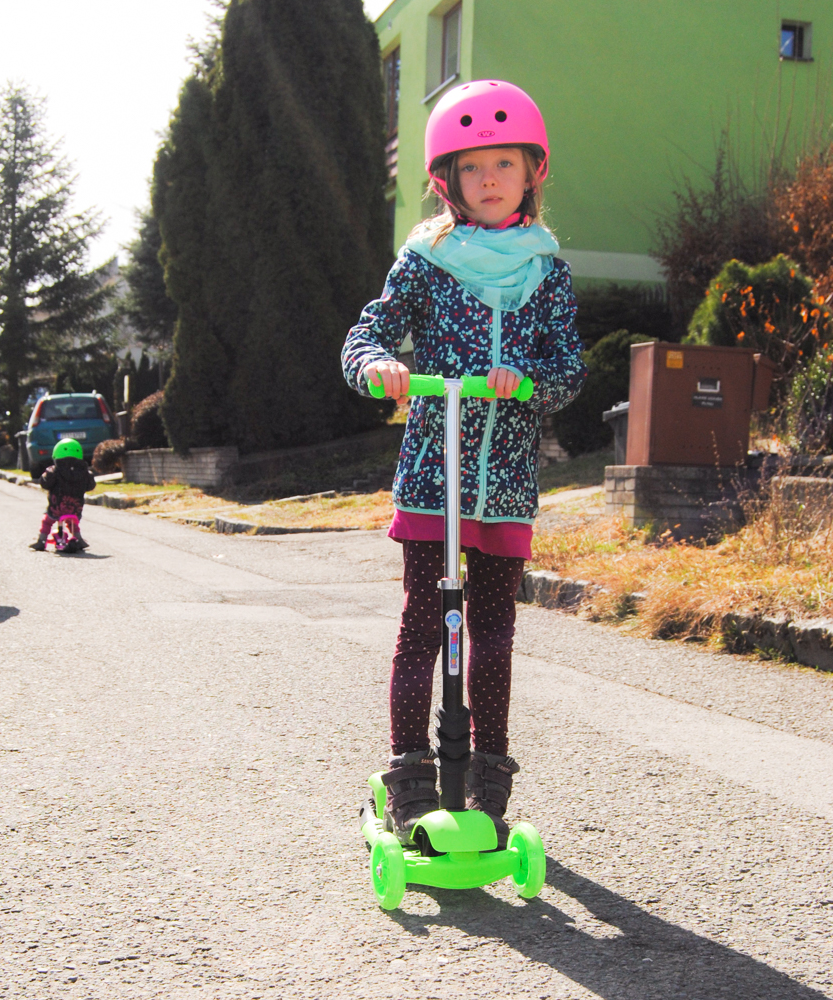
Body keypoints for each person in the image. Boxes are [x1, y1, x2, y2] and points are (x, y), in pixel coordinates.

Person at [341, 80, 586, 845]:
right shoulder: (427, 257)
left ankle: (488, 780)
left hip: (506, 485)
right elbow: (367, 334)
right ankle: (412, 778)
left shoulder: (546, 271)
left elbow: (570, 367)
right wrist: (378, 364)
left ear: (530, 173)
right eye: (472, 167)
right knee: (424, 625)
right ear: (446, 179)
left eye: (503, 164)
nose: (488, 180)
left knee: (493, 632)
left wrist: (532, 381)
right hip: (431, 479)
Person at [28, 438, 95, 551]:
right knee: (72, 521)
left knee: (47, 520)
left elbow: (45, 484)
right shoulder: (85, 472)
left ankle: (42, 540)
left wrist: (46, 476)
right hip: (75, 508)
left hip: (57, 508)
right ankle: (79, 538)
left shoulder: (54, 471)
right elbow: (91, 486)